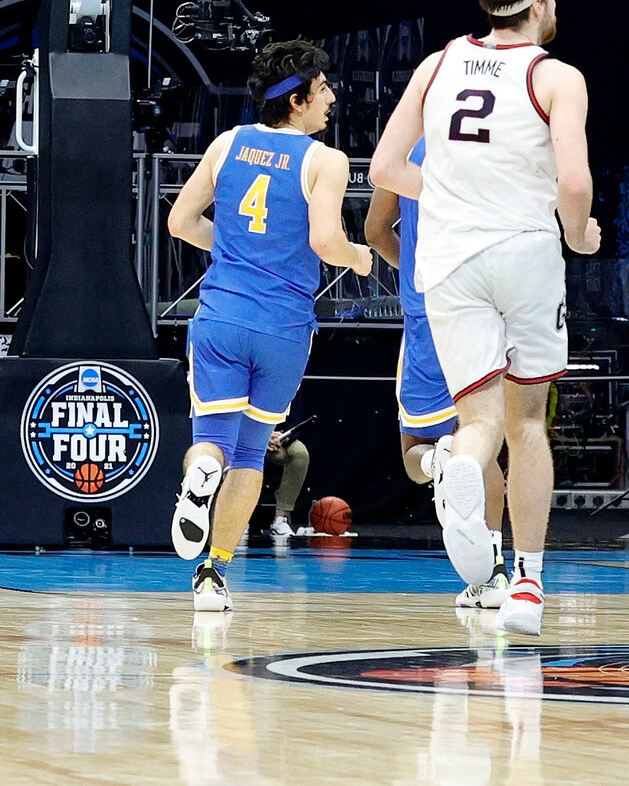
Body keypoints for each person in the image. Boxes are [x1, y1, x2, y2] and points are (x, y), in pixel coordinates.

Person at [368, 0, 601, 637]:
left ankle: (461, 469)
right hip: (523, 253)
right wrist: (580, 233)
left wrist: (447, 196)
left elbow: (383, 168)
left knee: (478, 424)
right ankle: (526, 585)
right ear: (538, 3)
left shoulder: (437, 66)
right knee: (527, 424)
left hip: (449, 260)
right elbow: (573, 182)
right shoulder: (557, 77)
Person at [166, 41, 371, 611]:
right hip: (283, 328)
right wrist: (359, 257)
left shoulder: (226, 143)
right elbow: (326, 242)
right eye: (324, 88)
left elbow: (180, 222)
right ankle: (213, 576)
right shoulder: (324, 159)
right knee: (252, 455)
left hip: (221, 316)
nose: (332, 97)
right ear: (299, 99)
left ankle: (200, 477)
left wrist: (232, 252)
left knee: (211, 443)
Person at [365, 138, 511, 609]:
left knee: (414, 451)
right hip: (482, 308)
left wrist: (409, 270)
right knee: (485, 442)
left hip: (426, 313)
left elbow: (374, 231)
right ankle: (495, 575)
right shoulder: (495, 138)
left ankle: (438, 464)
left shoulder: (409, 145)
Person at [259, 426, 310, 539]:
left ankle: (280, 518)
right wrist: (263, 436)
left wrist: (283, 438)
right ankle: (236, 518)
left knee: (300, 453)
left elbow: (295, 423)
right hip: (247, 437)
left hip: (277, 441)